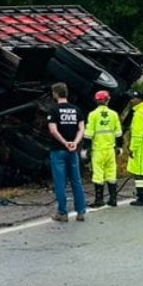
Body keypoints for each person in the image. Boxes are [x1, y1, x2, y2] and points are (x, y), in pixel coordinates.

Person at [45, 82, 87, 222]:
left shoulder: (53, 110)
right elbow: (82, 129)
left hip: (58, 150)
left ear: (55, 94)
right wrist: (74, 142)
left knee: (60, 182)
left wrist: (64, 142)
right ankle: (81, 211)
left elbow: (53, 130)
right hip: (73, 151)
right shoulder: (76, 110)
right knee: (76, 181)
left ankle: (62, 213)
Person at [86, 89, 123, 207]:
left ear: (96, 101)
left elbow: (88, 134)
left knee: (98, 174)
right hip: (111, 150)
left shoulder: (93, 115)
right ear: (107, 100)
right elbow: (118, 133)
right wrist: (120, 147)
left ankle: (99, 200)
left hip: (98, 149)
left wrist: (85, 149)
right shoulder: (113, 114)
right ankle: (113, 199)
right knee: (111, 174)